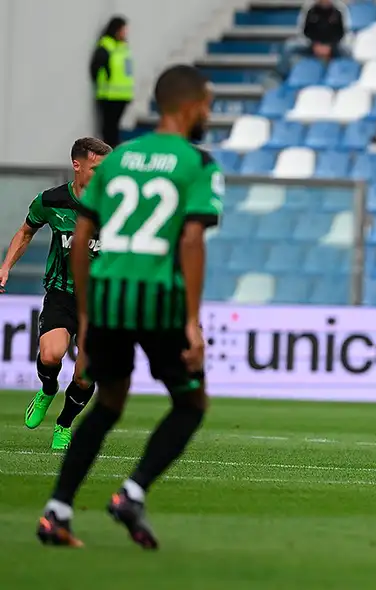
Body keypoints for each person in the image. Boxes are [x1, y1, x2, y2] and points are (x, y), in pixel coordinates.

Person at [36, 64, 223, 549]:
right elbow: (191, 241)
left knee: (109, 403)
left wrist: (85, 312)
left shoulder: (118, 160)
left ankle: (57, 511)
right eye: (206, 102)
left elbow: (80, 240)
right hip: (158, 301)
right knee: (190, 403)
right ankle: (132, 492)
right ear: (187, 106)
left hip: (108, 301)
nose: (209, 111)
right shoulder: (197, 163)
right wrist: (191, 323)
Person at [2, 138, 111, 451]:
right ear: (77, 165)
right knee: (51, 354)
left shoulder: (117, 204)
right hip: (62, 293)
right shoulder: (51, 201)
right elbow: (26, 231)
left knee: (85, 375)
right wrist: (5, 266)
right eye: (96, 168)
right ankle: (47, 389)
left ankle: (64, 424)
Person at [90, 16, 133, 147]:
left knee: (114, 128)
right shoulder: (106, 45)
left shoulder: (123, 46)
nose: (125, 32)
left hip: (122, 95)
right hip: (108, 95)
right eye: (123, 29)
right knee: (109, 129)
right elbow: (95, 67)